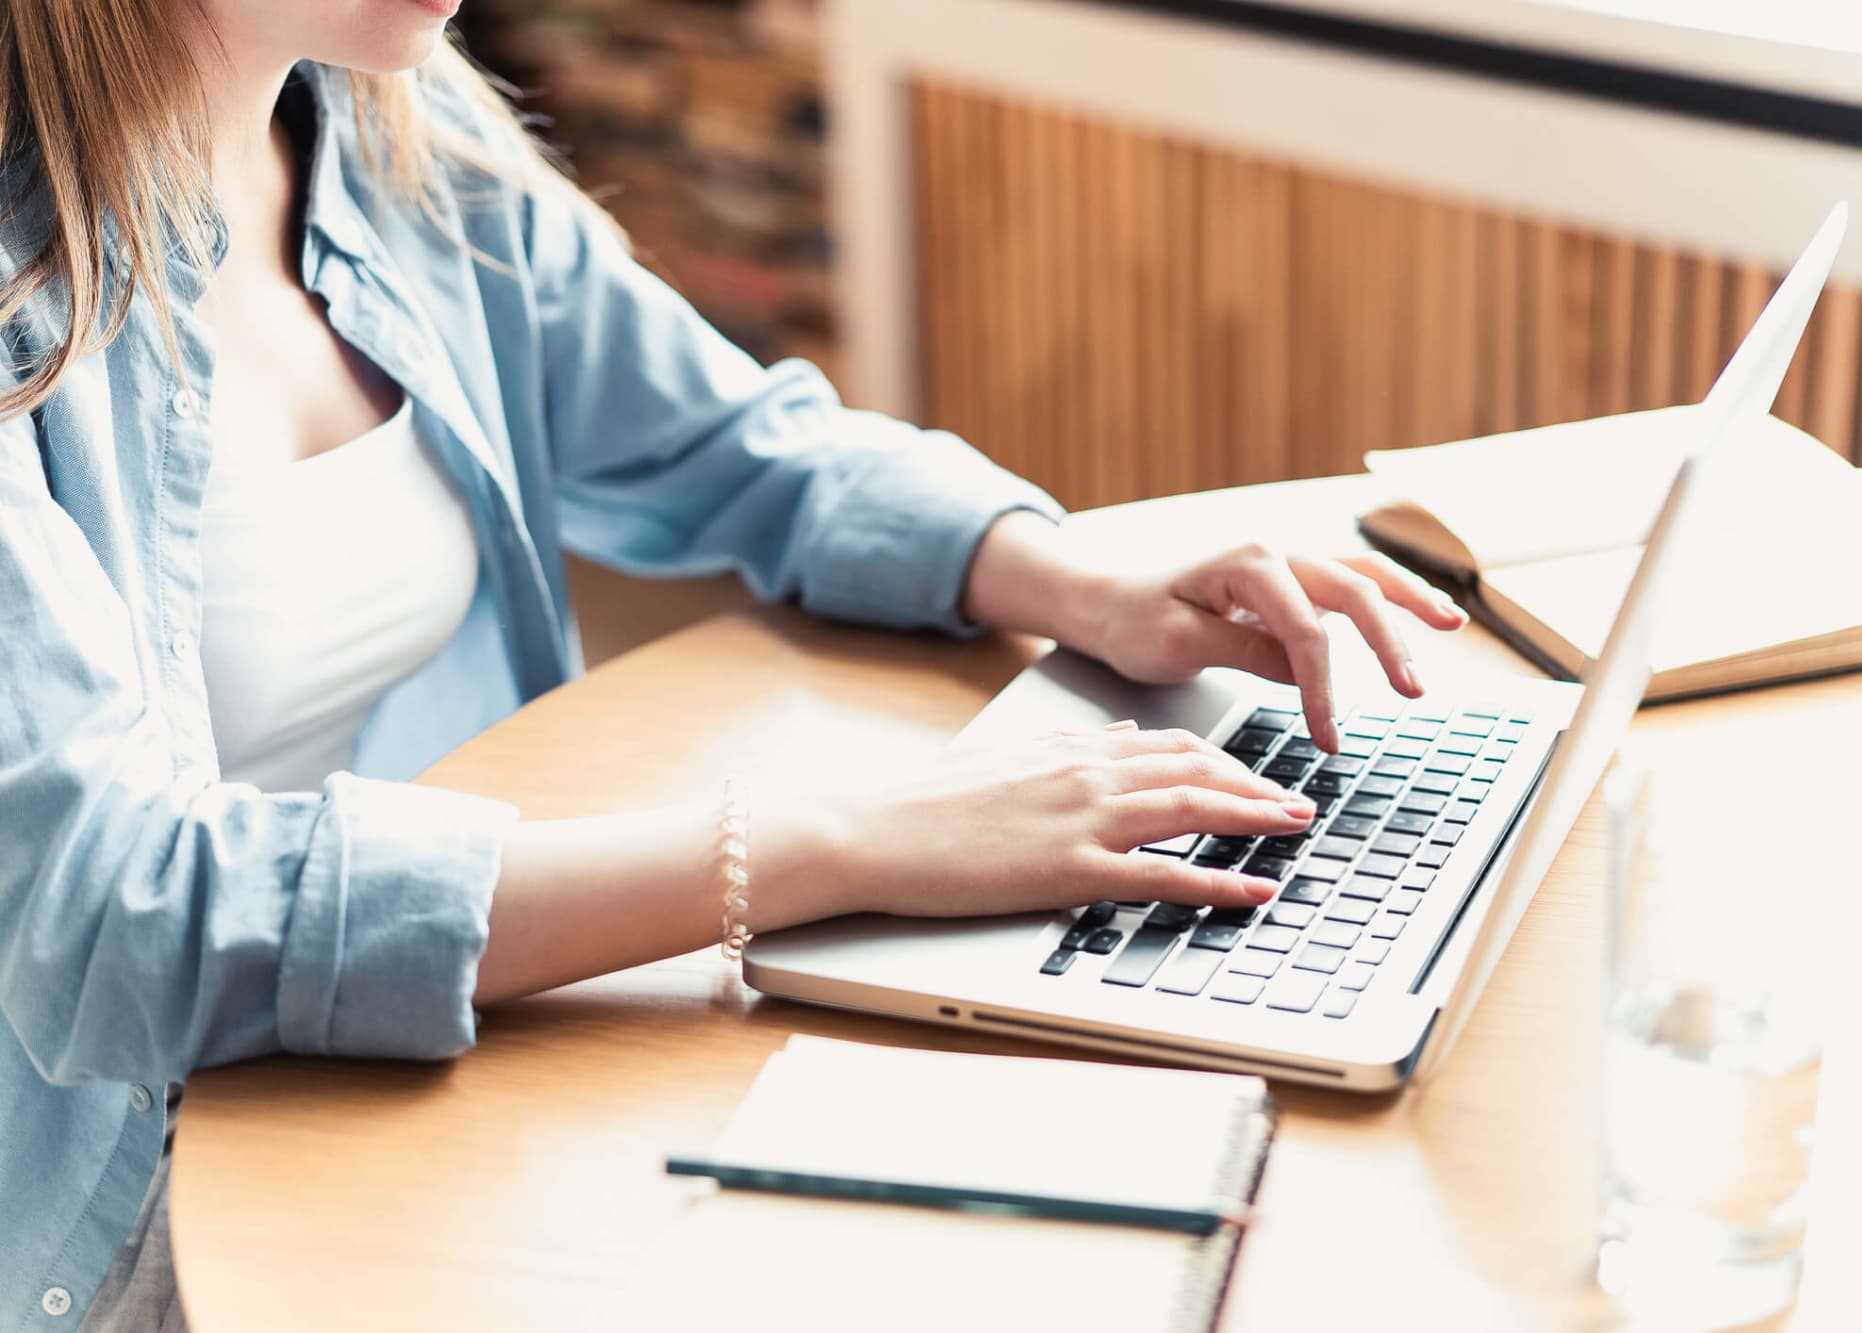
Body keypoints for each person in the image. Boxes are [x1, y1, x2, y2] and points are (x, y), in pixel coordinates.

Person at [0, 2, 1466, 1327]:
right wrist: (833, 847)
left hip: (385, 1050)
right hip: (105, 1204)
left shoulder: (388, 121)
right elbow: (119, 918)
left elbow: (720, 440)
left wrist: (1071, 572)